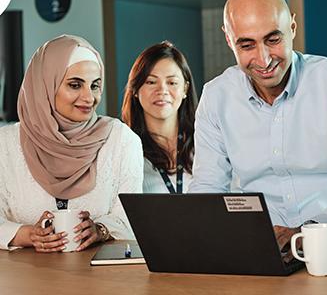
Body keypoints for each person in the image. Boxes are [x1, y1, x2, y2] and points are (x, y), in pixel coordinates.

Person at [190, 0, 327, 251]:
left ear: (292, 27)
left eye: (273, 39)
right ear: (228, 39)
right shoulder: (215, 97)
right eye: (246, 45)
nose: (263, 59)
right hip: (265, 251)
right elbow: (207, 191)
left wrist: (309, 234)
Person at [0, 35, 144, 252]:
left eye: (95, 86)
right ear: (45, 85)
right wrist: (27, 235)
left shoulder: (121, 140)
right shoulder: (5, 144)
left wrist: (101, 230)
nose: (89, 98)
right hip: (24, 279)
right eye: (75, 85)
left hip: (102, 281)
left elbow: (134, 219)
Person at [122, 41, 197, 194]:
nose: (162, 90)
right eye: (151, 82)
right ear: (135, 89)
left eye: (172, 82)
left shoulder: (207, 143)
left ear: (185, 89)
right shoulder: (125, 150)